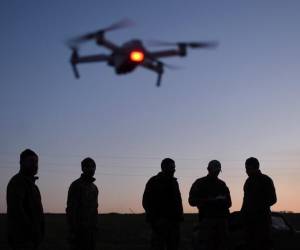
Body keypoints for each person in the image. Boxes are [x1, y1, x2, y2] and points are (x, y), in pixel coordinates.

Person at [188, 160, 232, 250]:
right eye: (214, 170)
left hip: (222, 222)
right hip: (207, 221)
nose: (216, 173)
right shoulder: (200, 183)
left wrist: (221, 202)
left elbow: (229, 203)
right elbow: (191, 201)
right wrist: (208, 201)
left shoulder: (222, 184)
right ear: (208, 169)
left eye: (218, 171)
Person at [6, 149, 44, 250]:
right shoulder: (17, 182)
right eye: (31, 161)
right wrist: (31, 230)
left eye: (36, 162)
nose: (35, 164)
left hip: (32, 239)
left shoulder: (33, 186)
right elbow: (17, 210)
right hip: (22, 240)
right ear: (21, 162)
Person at [142, 158, 183, 250]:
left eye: (174, 167)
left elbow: (178, 201)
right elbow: (146, 202)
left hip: (174, 224)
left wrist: (179, 217)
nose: (174, 169)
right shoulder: (154, 181)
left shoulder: (174, 182)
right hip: (159, 224)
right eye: (172, 167)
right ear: (164, 167)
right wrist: (155, 220)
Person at [241, 157, 277, 250]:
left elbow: (273, 199)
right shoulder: (248, 182)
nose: (246, 170)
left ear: (254, 167)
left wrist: (258, 208)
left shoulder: (266, 180)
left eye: (247, 168)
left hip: (263, 222)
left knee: (264, 245)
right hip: (249, 223)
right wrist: (242, 214)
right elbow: (245, 200)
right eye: (246, 168)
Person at [66, 157, 99, 250]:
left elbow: (95, 208)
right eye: (88, 166)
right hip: (79, 231)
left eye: (93, 166)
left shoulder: (94, 188)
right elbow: (71, 209)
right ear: (82, 168)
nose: (91, 169)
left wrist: (95, 226)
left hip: (91, 231)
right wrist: (73, 230)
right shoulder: (76, 185)